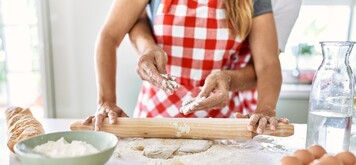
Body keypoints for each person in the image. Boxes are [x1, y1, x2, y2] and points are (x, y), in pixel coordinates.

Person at [84, 0, 301, 134]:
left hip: (221, 122)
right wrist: (106, 101)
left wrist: (266, 108)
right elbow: (109, 36)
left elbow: (268, 63)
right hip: (155, 118)